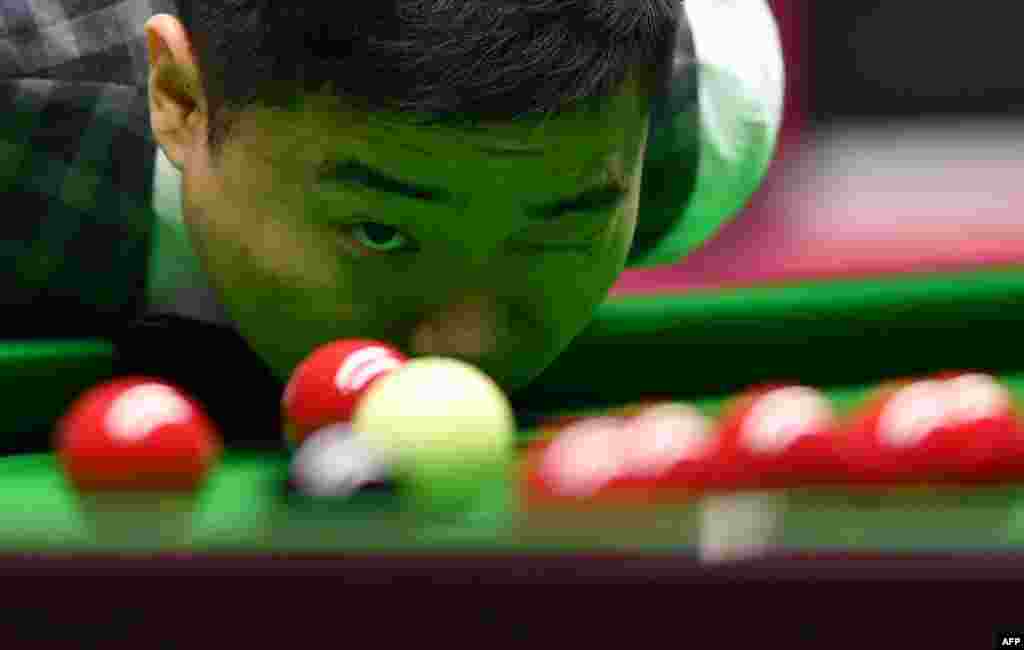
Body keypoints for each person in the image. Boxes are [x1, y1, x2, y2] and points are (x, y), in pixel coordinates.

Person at [1, 1, 783, 445]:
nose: (469, 351)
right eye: (380, 233)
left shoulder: (701, 116)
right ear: (179, 98)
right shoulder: (25, 117)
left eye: (555, 229)